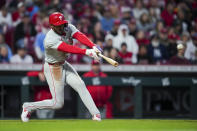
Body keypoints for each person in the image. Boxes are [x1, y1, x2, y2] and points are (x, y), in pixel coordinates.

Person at [21, 12, 102, 122]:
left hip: (63, 63)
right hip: (53, 68)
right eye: (58, 24)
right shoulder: (49, 39)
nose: (61, 26)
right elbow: (67, 48)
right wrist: (87, 52)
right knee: (57, 103)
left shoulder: (67, 27)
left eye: (62, 23)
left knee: (80, 85)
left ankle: (96, 115)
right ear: (52, 26)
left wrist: (93, 46)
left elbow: (79, 35)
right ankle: (28, 107)